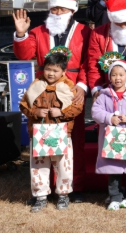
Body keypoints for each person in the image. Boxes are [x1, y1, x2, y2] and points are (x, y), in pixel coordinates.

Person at [13, 0, 89, 197]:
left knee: (75, 138)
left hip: (72, 88)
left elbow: (88, 61)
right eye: (54, 9)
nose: (58, 12)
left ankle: (75, 187)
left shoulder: (84, 31)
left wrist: (82, 85)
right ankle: (46, 187)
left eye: (62, 9)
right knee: (43, 135)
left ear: (72, 10)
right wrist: (21, 34)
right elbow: (25, 54)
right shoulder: (39, 31)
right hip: (43, 90)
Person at [20, 52, 83, 212]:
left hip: (61, 134)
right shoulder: (36, 84)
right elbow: (23, 105)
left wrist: (61, 112)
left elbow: (77, 107)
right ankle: (40, 197)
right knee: (39, 165)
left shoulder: (68, 86)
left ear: (63, 71)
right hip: (39, 133)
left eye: (56, 70)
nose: (51, 73)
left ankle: (63, 195)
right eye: (48, 69)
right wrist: (35, 112)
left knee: (63, 165)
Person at [91, 60, 126, 211]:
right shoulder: (104, 95)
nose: (117, 78)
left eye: (121, 75)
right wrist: (109, 118)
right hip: (111, 138)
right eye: (114, 75)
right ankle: (115, 196)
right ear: (109, 77)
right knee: (113, 169)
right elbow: (95, 112)